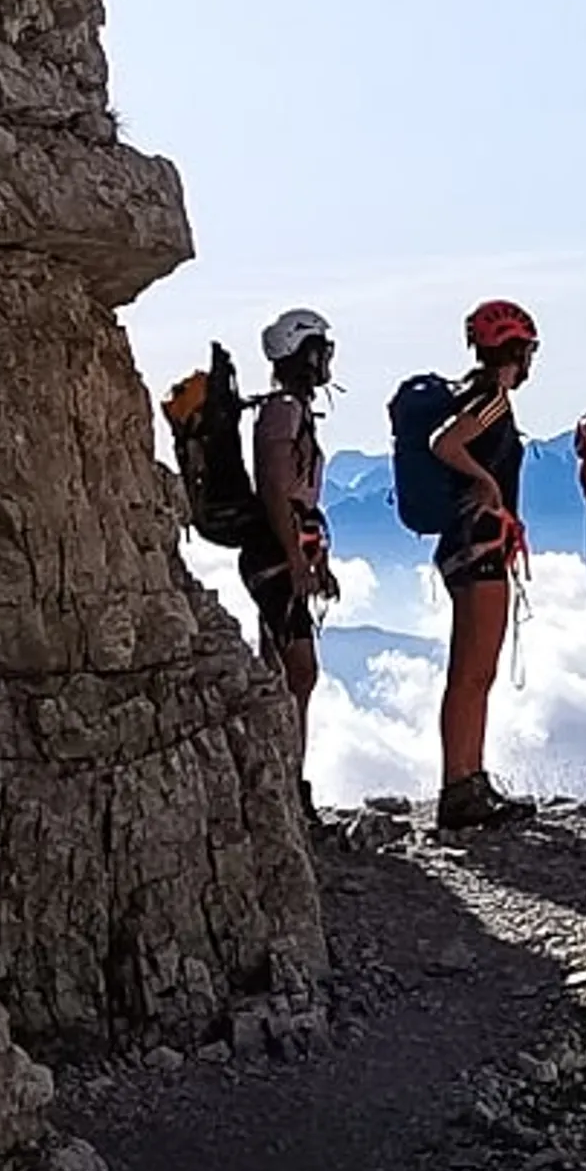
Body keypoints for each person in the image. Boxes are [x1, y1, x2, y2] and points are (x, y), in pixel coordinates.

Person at [431, 298, 542, 833]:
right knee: (474, 674)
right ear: (514, 350)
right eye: (528, 351)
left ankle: (468, 781)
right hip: (479, 547)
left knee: (472, 673)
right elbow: (446, 443)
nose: (529, 363)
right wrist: (488, 483)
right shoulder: (492, 398)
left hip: (463, 546)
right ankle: (461, 788)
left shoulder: (468, 390)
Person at [242, 308, 341, 818]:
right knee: (298, 673)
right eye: (319, 350)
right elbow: (278, 489)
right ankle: (285, 785)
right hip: (276, 557)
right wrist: (295, 560)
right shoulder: (285, 413)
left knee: (282, 672)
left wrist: (310, 560)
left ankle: (280, 781)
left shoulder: (288, 409)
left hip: (279, 554)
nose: (326, 360)